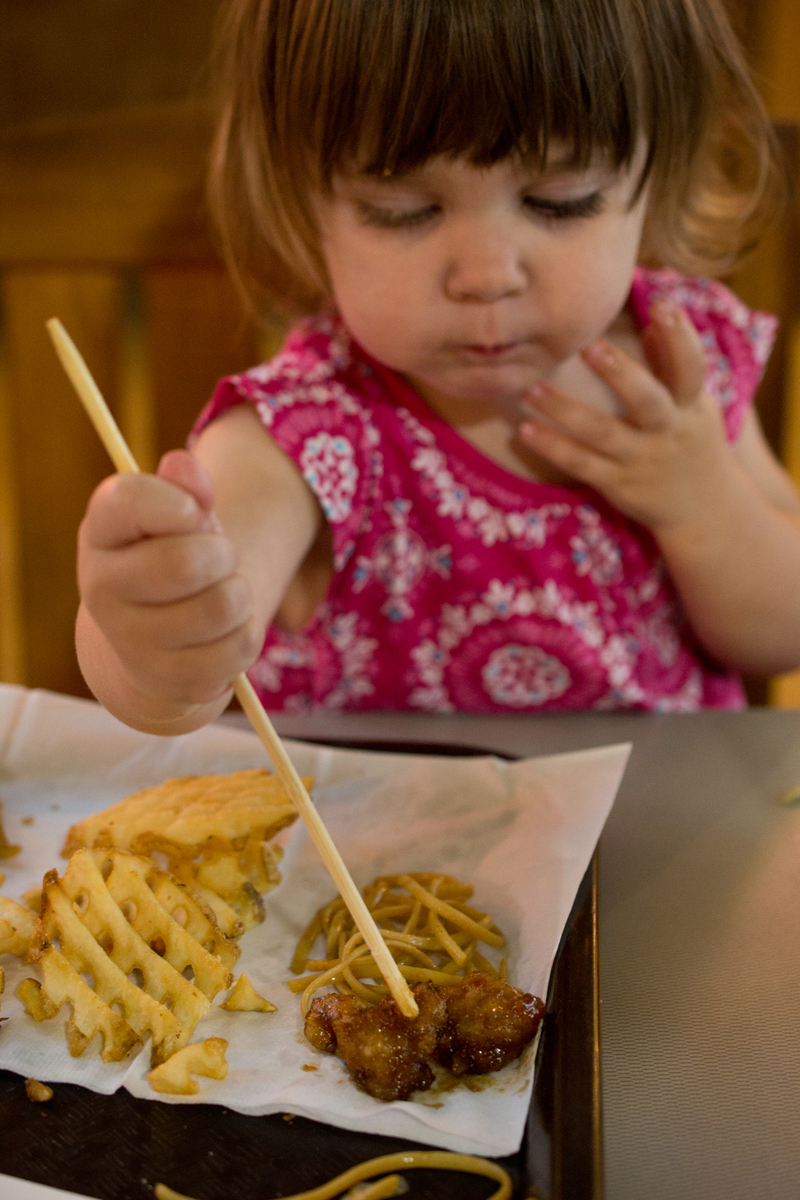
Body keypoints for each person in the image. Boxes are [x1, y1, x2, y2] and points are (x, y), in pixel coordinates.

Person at [76, 0, 800, 733]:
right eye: (404, 209)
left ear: (658, 174)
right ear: (303, 204)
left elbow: (782, 633)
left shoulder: (677, 370)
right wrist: (154, 640)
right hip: (390, 848)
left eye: (561, 202)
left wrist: (702, 500)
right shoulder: (306, 429)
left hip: (667, 839)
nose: (486, 275)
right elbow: (190, 657)